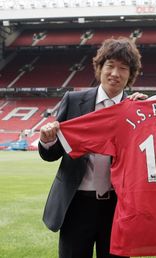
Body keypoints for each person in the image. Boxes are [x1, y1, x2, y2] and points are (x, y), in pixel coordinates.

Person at [38, 37, 141, 258]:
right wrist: (48, 140)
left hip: (117, 208)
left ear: (130, 75)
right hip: (76, 205)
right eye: (110, 65)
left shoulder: (137, 108)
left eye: (123, 68)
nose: (115, 73)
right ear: (100, 67)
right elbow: (54, 153)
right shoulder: (74, 100)